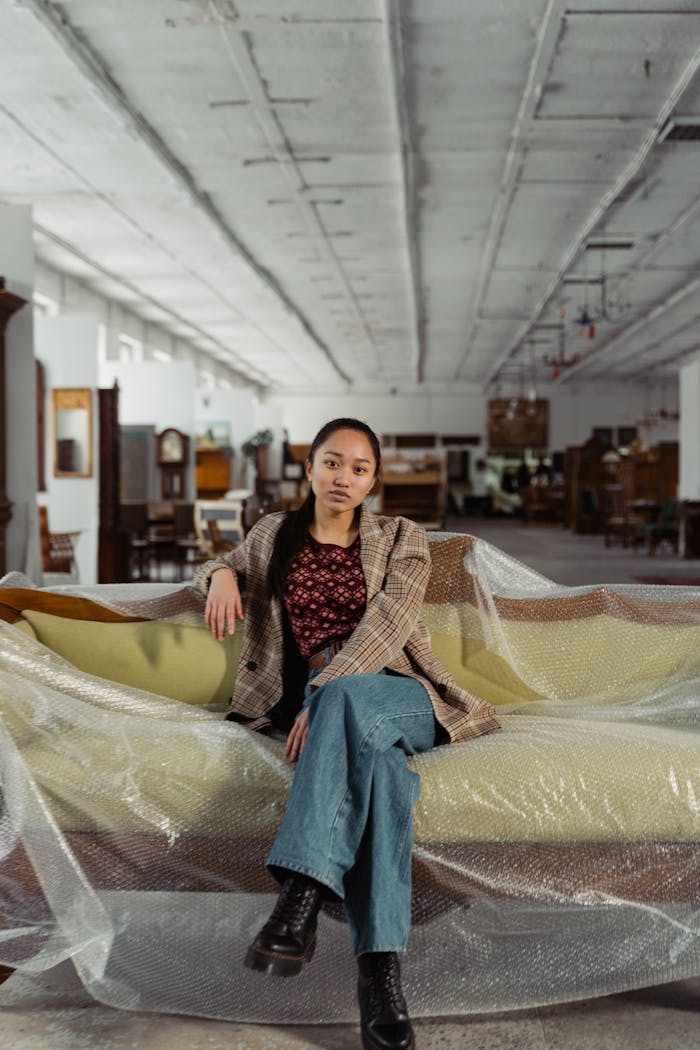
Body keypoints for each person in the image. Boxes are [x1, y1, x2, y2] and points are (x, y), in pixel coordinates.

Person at [193, 418, 500, 1050]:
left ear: (373, 482)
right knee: (383, 779)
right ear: (308, 469)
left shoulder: (403, 538)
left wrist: (331, 688)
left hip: (401, 694)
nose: (345, 477)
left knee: (350, 701)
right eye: (333, 463)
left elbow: (391, 624)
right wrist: (219, 577)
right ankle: (380, 977)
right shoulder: (273, 533)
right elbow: (223, 562)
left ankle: (301, 894)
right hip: (312, 702)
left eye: (360, 468)